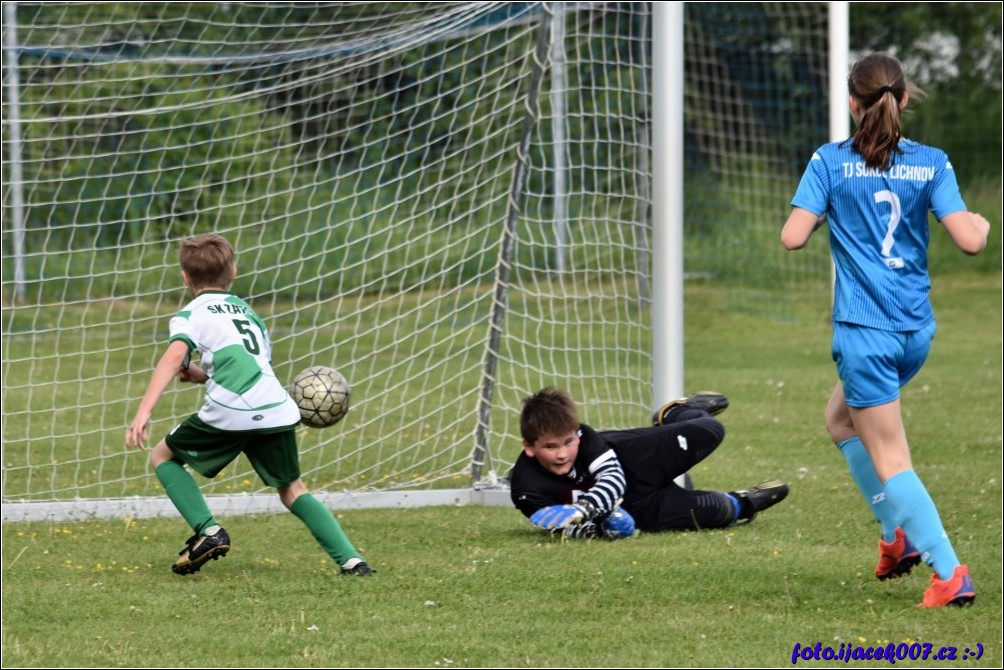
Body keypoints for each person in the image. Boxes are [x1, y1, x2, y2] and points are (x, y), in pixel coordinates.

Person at [781, 53, 990, 608]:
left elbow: (791, 237)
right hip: (913, 330)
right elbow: (969, 240)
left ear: (853, 103)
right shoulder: (932, 161)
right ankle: (896, 540)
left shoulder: (829, 162)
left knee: (891, 455)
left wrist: (824, 209)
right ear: (901, 100)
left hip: (865, 332)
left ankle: (949, 572)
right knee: (838, 418)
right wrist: (983, 225)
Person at [125, 233, 374, 577]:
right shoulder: (249, 313)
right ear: (234, 272)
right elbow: (248, 367)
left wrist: (144, 411)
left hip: (230, 412)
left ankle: (209, 531)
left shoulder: (189, 314)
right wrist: (201, 375)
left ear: (184, 277)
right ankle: (353, 562)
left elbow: (174, 356)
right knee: (291, 488)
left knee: (162, 456)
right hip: (277, 408)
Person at [508, 387, 789, 539]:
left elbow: (613, 480)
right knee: (721, 512)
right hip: (638, 509)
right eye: (550, 447)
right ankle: (746, 501)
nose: (562, 454)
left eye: (568, 442)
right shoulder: (524, 487)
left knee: (712, 431)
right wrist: (603, 529)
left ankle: (677, 412)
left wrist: (585, 509)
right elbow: (560, 528)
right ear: (529, 447)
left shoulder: (587, 437)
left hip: (637, 461)